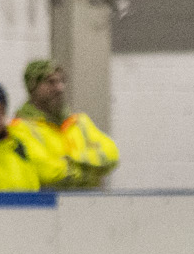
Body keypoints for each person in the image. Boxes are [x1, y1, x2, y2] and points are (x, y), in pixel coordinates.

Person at [12, 59, 119, 189]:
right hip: (48, 206)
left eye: (62, 81)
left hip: (91, 204)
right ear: (33, 87)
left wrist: (70, 162)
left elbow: (112, 155)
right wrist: (92, 170)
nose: (60, 88)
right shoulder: (20, 127)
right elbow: (48, 173)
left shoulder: (79, 122)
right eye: (51, 82)